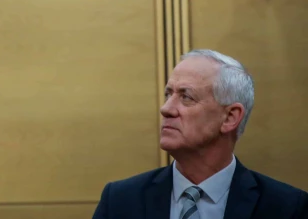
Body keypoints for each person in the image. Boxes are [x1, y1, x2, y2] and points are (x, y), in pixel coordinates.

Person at [92, 49, 308, 219]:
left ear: (230, 117)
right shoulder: (120, 201)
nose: (166, 109)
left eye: (186, 97)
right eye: (168, 94)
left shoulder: (287, 207)